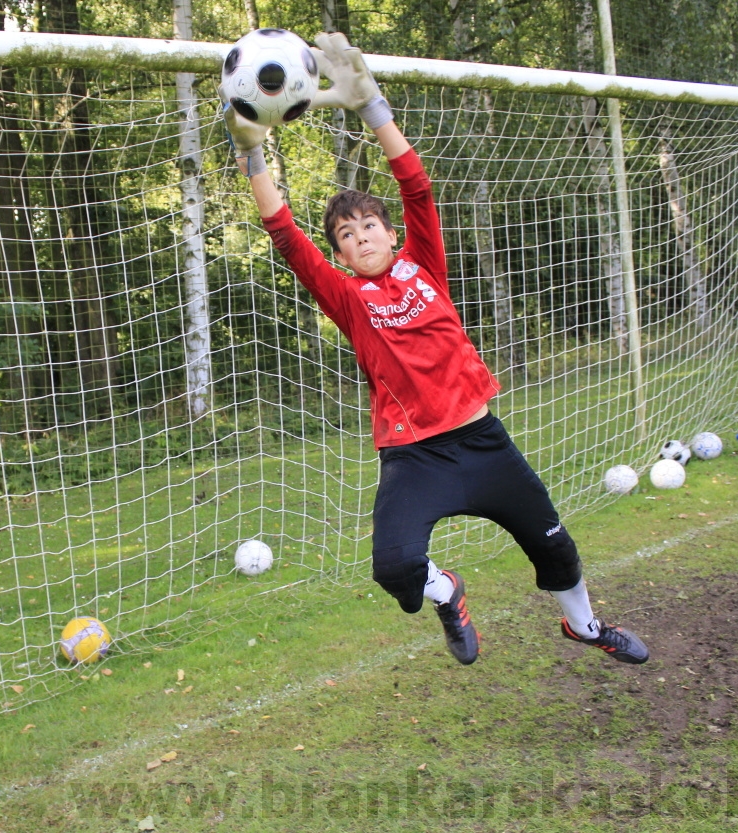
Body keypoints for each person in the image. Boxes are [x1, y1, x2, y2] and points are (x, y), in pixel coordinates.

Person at [221, 32, 649, 666]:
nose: (360, 236)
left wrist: (372, 107)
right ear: (338, 254)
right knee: (394, 569)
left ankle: (585, 628)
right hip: (414, 458)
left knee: (555, 547)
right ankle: (447, 593)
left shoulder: (424, 265)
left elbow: (416, 187)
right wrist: (251, 154)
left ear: (390, 234)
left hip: (483, 443)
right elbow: (284, 234)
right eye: (346, 234)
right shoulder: (346, 298)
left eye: (369, 225)